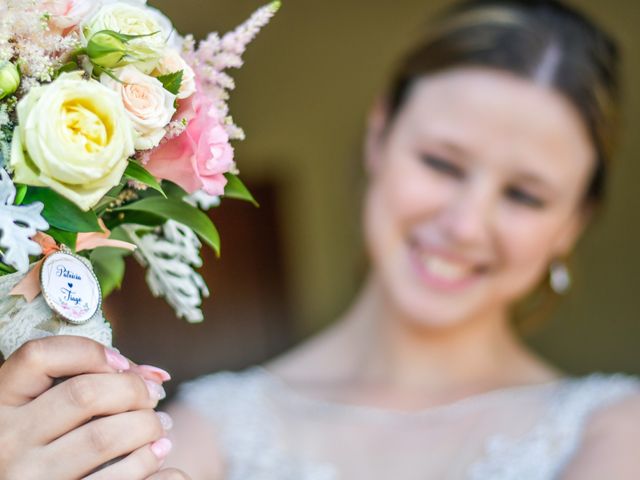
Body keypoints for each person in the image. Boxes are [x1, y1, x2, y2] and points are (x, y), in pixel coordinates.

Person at [0, 0, 637, 479]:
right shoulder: (209, 429)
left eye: (524, 196)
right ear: (379, 137)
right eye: (442, 164)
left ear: (572, 223)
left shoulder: (615, 433)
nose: (467, 224)